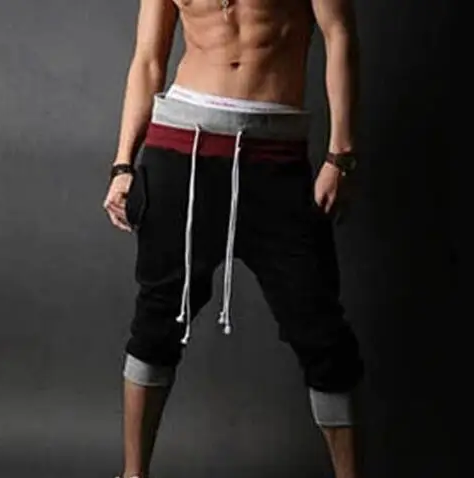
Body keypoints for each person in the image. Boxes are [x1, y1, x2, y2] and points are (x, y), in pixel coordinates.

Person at [102, 1, 364, 477]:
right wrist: (123, 163)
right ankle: (133, 475)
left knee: (322, 332)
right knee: (157, 321)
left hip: (276, 161)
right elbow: (148, 59)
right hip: (180, 150)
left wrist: (340, 154)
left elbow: (339, 34)